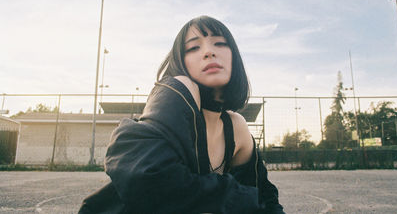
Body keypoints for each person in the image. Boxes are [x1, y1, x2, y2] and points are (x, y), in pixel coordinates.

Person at [79, 15, 284, 214]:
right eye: (193, 47)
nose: (208, 52)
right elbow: (146, 176)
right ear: (180, 62)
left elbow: (262, 198)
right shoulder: (179, 93)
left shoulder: (236, 126)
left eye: (219, 43)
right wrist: (178, 87)